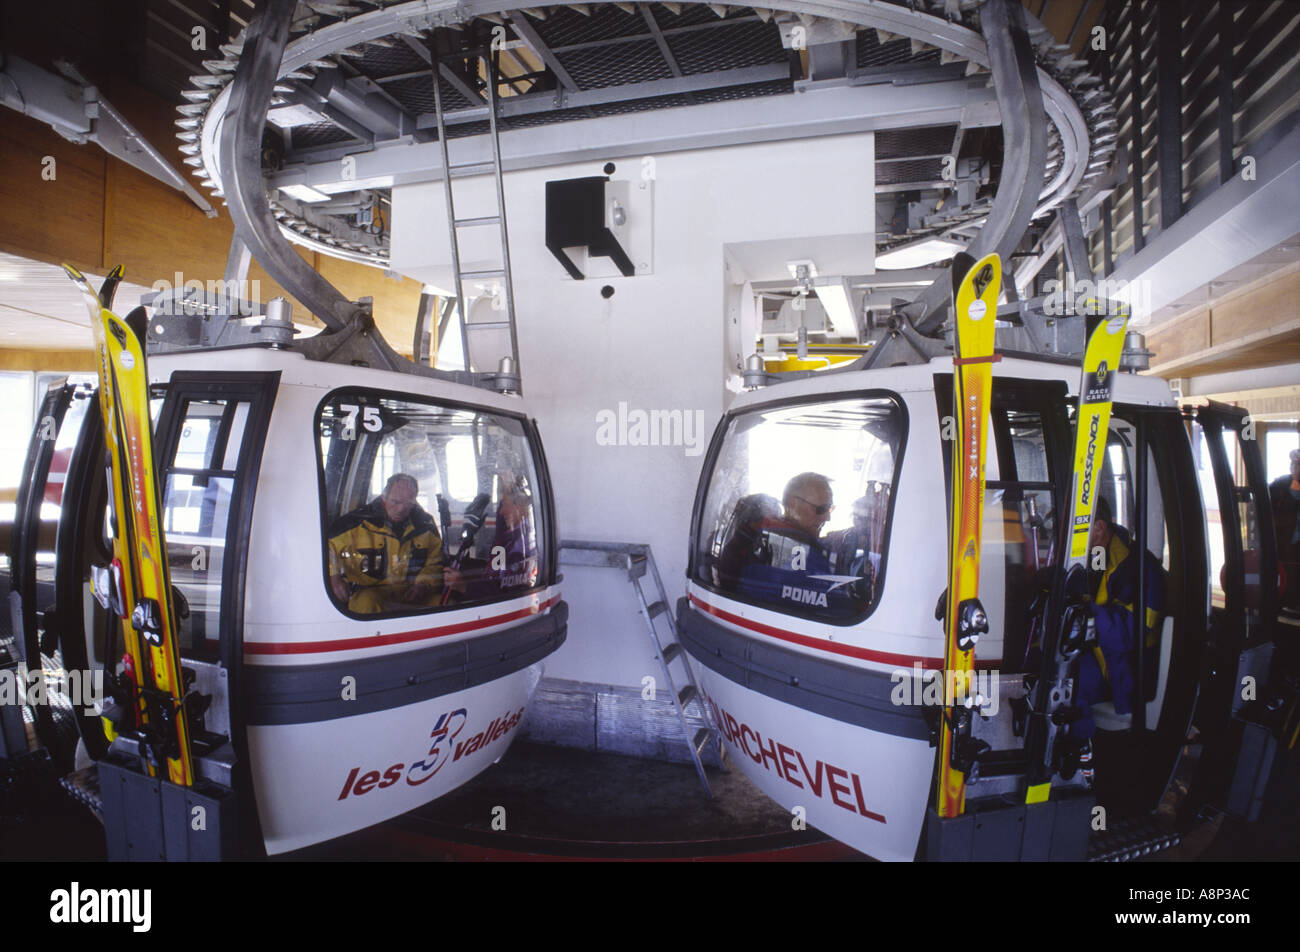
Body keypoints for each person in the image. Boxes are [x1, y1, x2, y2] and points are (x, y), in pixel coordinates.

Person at [1072, 495, 1165, 781]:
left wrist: (1084, 612)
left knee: (1068, 684)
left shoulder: (1139, 569)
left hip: (1124, 668)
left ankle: (1079, 766)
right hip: (1099, 655)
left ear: (1098, 528)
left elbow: (1127, 635)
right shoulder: (1097, 557)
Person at [327, 473, 443, 614]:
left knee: (447, 604)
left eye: (408, 503)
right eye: (395, 502)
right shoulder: (355, 523)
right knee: (365, 604)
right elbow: (326, 548)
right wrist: (333, 577)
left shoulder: (426, 526)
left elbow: (435, 562)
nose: (401, 509)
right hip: (369, 593)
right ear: (384, 497)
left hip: (412, 594)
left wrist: (423, 584)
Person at [443, 478, 539, 600]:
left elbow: (504, 593)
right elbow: (494, 576)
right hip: (486, 588)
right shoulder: (507, 537)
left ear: (519, 507)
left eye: (504, 505)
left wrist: (464, 586)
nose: (501, 512)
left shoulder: (519, 547)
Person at [1269, 448, 1300, 612]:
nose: (1298, 469)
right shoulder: (1279, 486)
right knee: (1285, 578)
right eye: (1296, 464)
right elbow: (1261, 510)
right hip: (1283, 545)